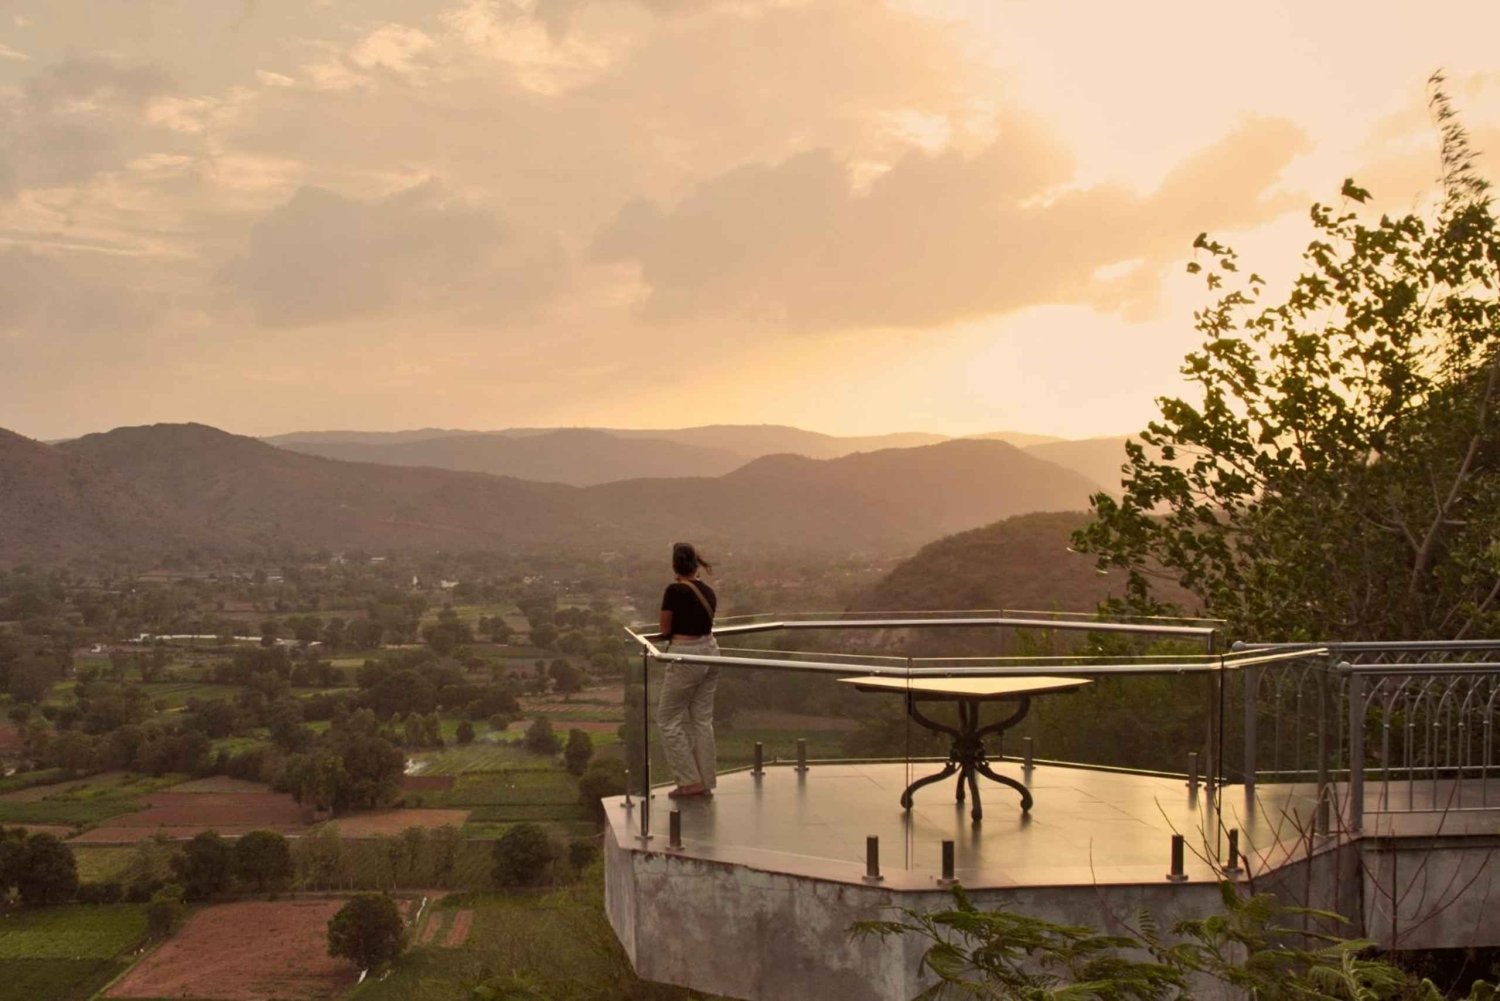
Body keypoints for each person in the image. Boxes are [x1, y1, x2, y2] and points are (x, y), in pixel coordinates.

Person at [657, 542, 719, 799]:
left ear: (675, 566)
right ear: (696, 564)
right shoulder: (708, 591)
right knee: (702, 719)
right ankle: (705, 780)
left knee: (668, 719)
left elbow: (664, 629)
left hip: (687, 655)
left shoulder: (674, 591)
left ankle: (689, 781)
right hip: (712, 652)